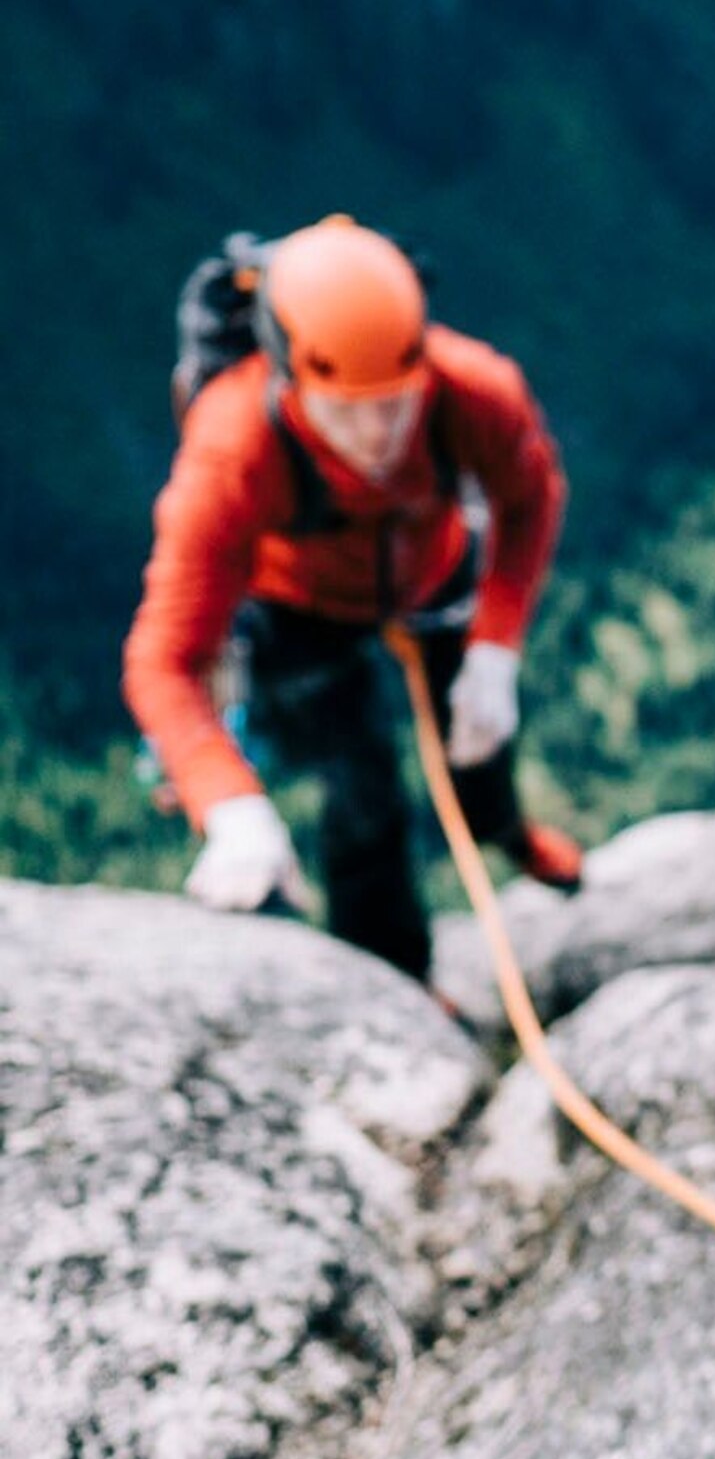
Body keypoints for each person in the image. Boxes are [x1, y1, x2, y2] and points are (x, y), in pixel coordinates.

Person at [124, 216, 580, 980]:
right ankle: (400, 981)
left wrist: (495, 650)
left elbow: (531, 498)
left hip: (432, 577)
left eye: (395, 404)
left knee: (480, 736)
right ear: (288, 376)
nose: (377, 435)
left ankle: (504, 831)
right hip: (300, 611)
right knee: (362, 792)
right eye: (347, 409)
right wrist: (230, 807)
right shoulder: (231, 450)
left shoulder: (471, 390)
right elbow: (163, 661)